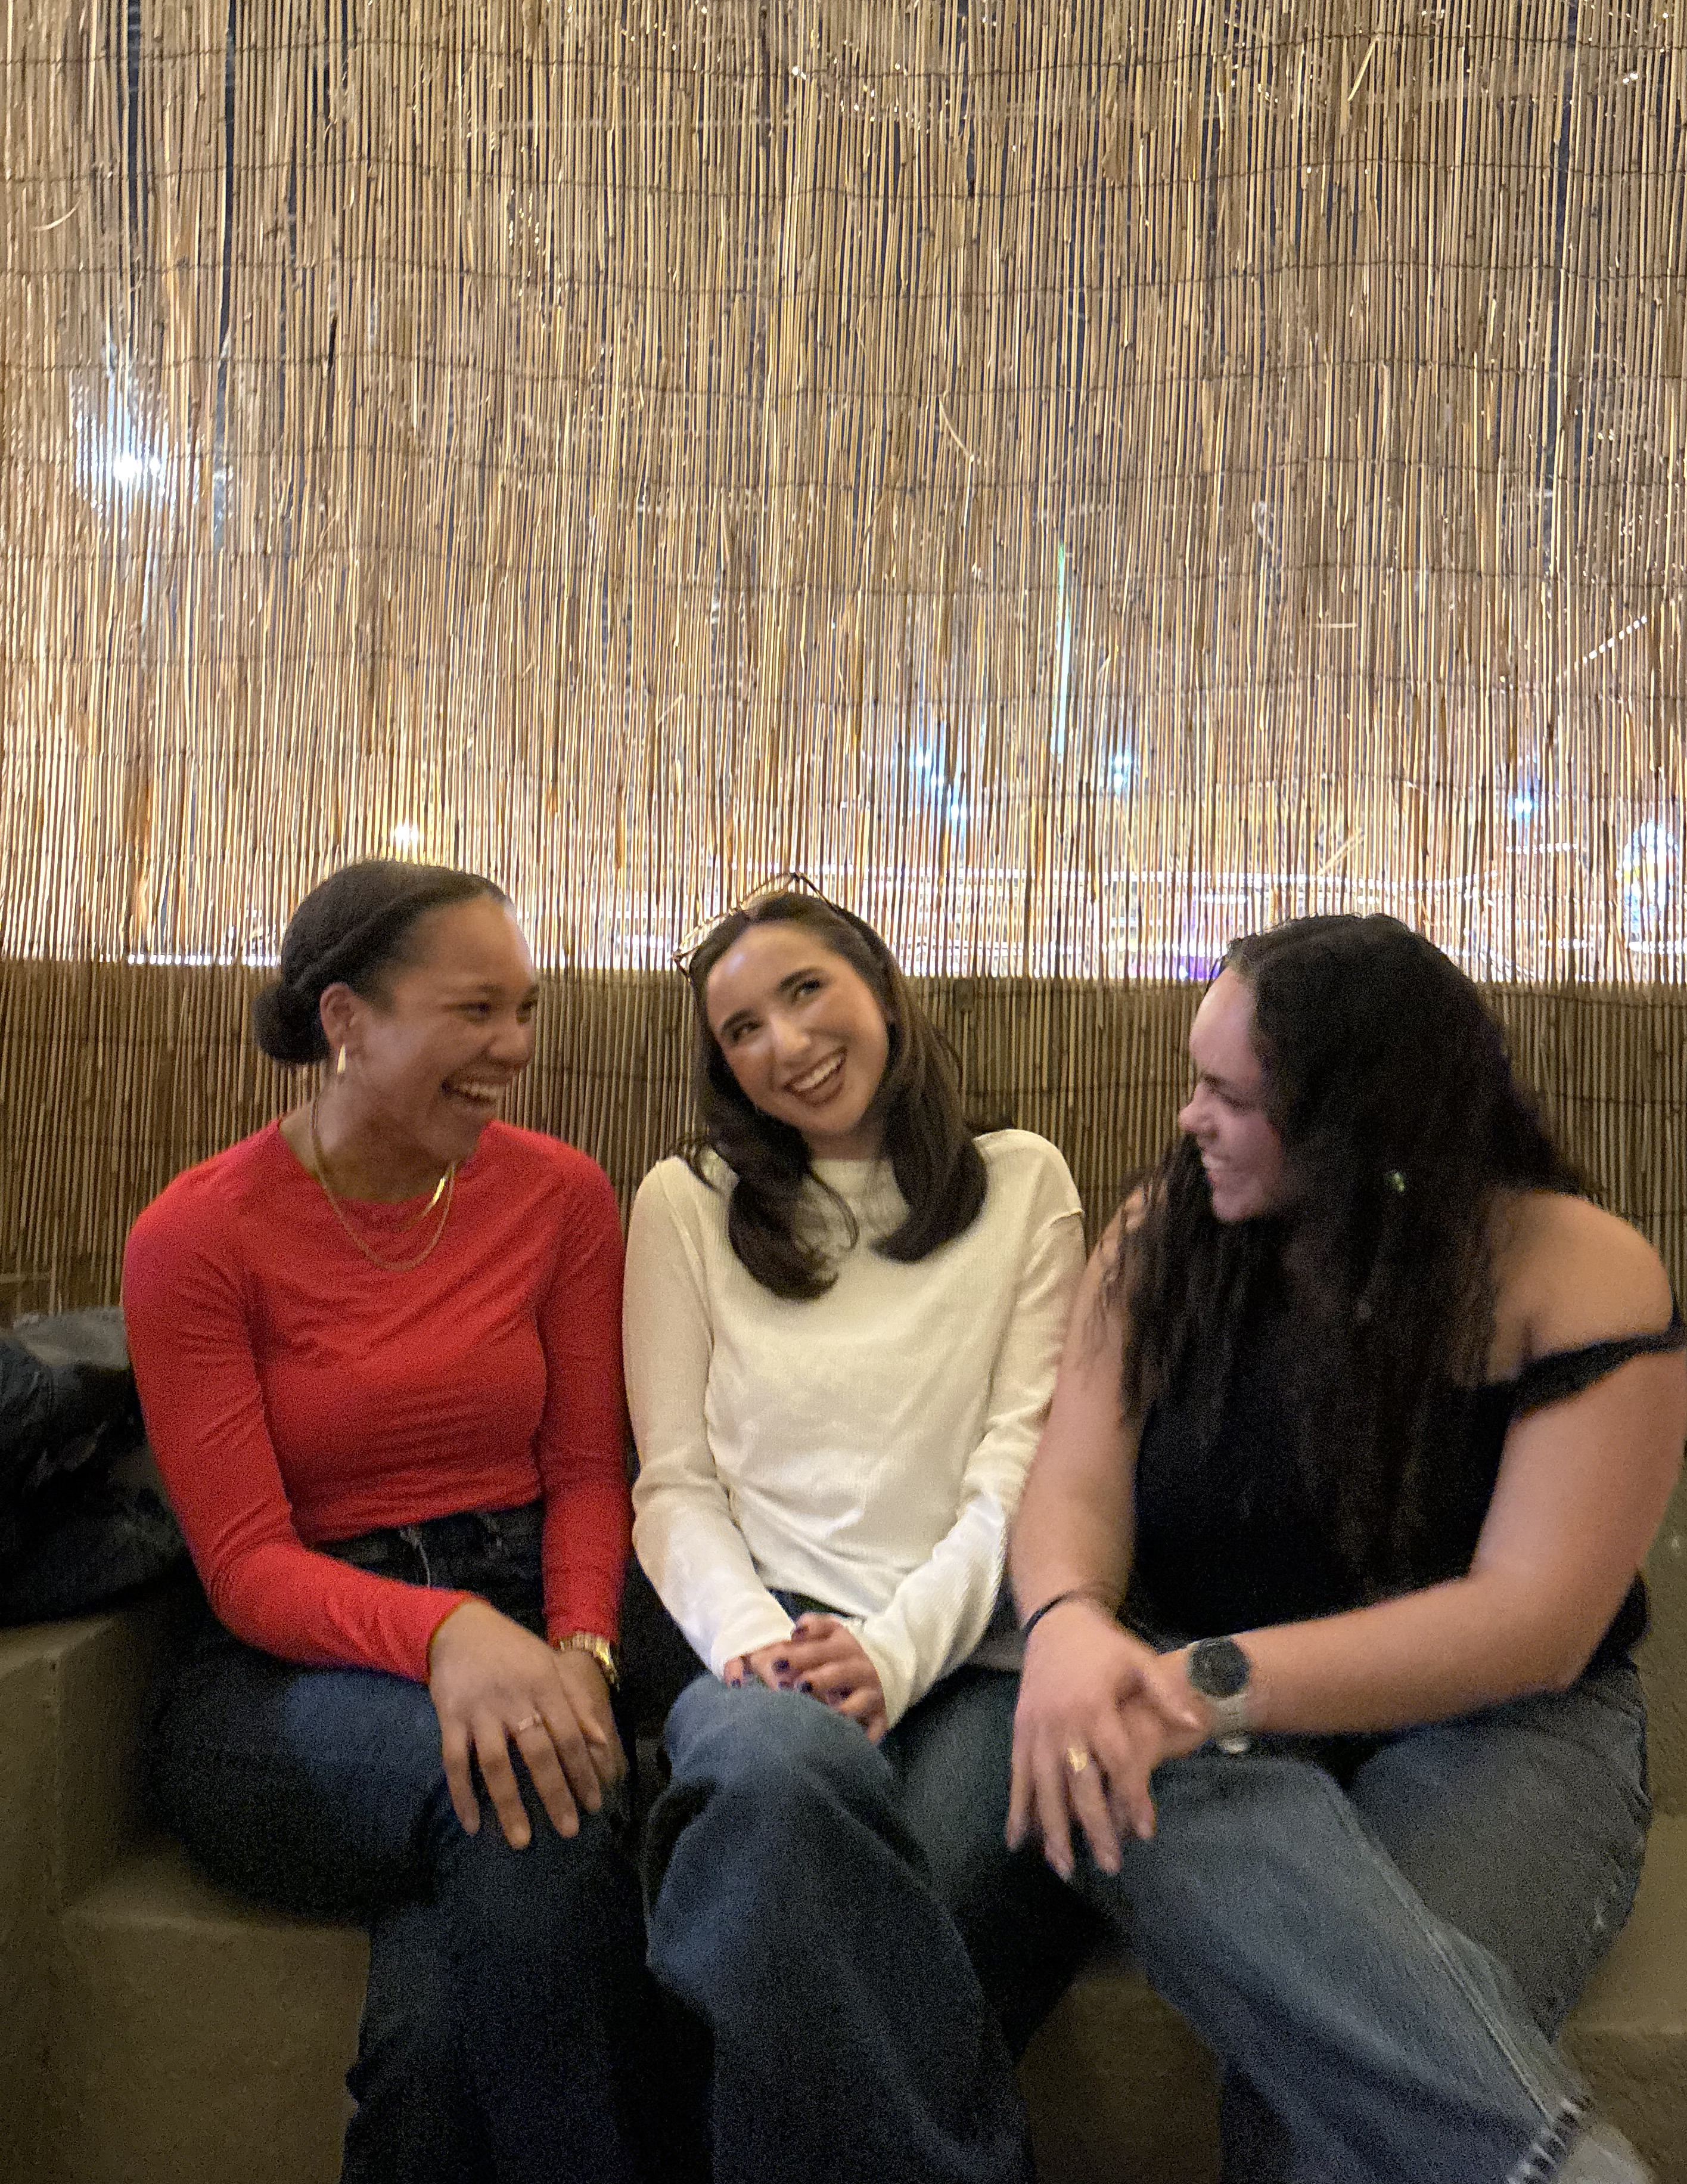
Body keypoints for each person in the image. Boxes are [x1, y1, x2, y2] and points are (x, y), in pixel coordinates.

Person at [1003, 913, 1687, 2184]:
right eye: (1196, 1083)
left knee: (1312, 2108)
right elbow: (1074, 1489)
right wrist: (1066, 1626)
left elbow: (1532, 1625)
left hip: (1498, 1727)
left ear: (1355, 1123)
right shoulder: (1165, 1239)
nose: (1191, 1121)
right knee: (1131, 1762)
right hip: (1202, 1724)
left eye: (1232, 1098)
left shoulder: (1575, 1269)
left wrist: (1206, 1681)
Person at [124, 858, 651, 2184]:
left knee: (440, 2018)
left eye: (525, 1011)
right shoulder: (197, 1234)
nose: (515, 1048)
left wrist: (581, 1653)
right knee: (541, 1799)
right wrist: (447, 1635)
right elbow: (245, 1566)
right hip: (291, 1675)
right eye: (476, 1011)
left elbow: (589, 1472)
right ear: (348, 1020)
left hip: (529, 1615)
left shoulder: (562, 1197)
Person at [624, 883, 1087, 2184]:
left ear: (880, 985)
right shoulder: (685, 1201)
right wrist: (761, 1647)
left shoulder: (1023, 1182)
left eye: (805, 992)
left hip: (975, 1654)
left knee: (871, 1901)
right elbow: (674, 1484)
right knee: (778, 1796)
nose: (784, 1043)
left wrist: (890, 1655)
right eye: (742, 1030)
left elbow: (1016, 1476)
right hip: (755, 1642)